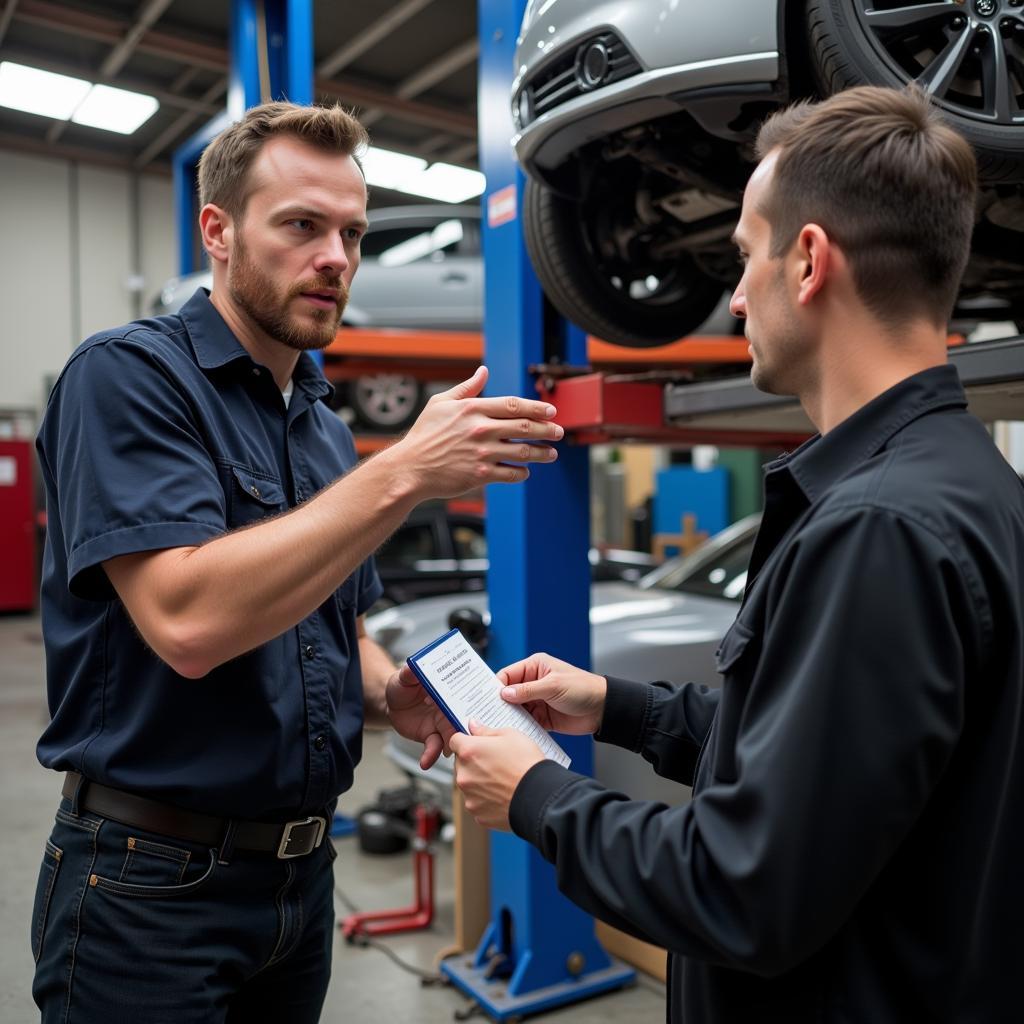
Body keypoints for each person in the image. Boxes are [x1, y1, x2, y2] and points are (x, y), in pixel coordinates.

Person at [400, 86, 1024, 1022]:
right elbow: (818, 758)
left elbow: (740, 890)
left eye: (744, 257)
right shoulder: (965, 483)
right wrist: (615, 708)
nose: (734, 297)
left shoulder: (879, 529)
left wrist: (537, 797)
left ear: (808, 261)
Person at [30, 101, 564, 1023]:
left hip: (298, 885)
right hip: (148, 888)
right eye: (302, 226)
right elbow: (188, 622)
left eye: (352, 233)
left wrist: (389, 689)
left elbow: (331, 629)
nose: (337, 258)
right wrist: (402, 472)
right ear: (219, 232)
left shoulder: (316, 424)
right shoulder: (126, 379)